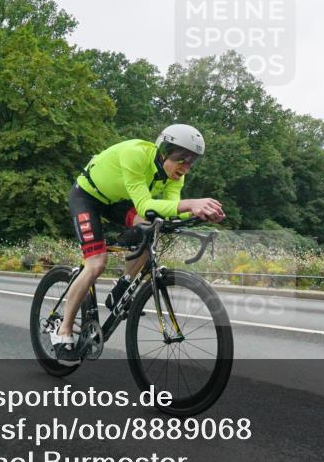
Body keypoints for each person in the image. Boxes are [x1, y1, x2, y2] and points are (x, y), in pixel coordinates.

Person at [52, 124, 225, 365]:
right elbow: (145, 205)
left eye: (191, 162)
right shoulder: (135, 154)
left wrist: (201, 214)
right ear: (164, 151)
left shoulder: (175, 178)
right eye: (182, 160)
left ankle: (122, 286)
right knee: (96, 263)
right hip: (88, 197)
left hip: (117, 201)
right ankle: (64, 331)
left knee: (153, 228)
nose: (186, 168)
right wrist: (192, 203)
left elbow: (171, 210)